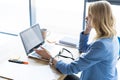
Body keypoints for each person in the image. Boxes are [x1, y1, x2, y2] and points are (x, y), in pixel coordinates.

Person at [34, 1, 119, 80]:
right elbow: (83, 49)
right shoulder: (111, 37)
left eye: (89, 15)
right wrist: (87, 29)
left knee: (57, 74)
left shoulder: (101, 45)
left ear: (97, 19)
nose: (86, 17)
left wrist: (50, 57)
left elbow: (70, 69)